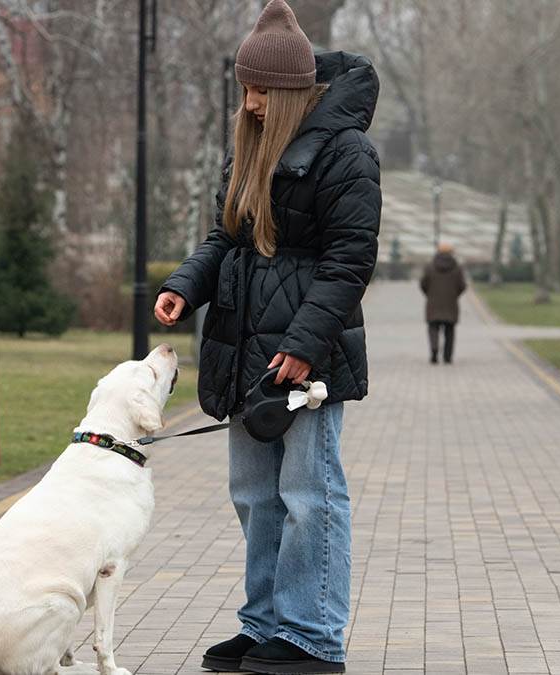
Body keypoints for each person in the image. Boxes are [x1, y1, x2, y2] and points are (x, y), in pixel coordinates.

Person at [153, 1, 381, 672]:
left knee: (311, 495)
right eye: (244, 90)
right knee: (254, 495)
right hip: (245, 350)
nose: (250, 104)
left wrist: (307, 342)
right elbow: (228, 236)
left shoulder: (347, 152)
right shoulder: (252, 147)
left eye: (260, 92)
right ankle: (265, 625)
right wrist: (185, 283)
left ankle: (312, 635)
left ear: (290, 91)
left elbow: (349, 261)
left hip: (306, 359)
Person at [419, 242, 467, 364]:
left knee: (433, 328)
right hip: (451, 303)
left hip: (433, 303)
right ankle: (447, 356)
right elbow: (462, 286)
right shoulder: (457, 268)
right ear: (451, 252)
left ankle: (434, 350)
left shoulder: (429, 266)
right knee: (449, 331)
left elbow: (423, 284)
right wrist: (454, 294)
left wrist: (429, 294)